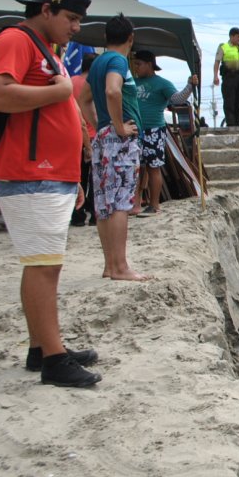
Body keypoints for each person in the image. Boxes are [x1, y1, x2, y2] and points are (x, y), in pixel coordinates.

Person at [0, 0, 101, 387]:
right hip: (31, 169)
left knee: (41, 263)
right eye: (71, 18)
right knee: (43, 266)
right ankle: (53, 360)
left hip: (47, 172)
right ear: (46, 10)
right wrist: (61, 92)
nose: (75, 27)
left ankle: (42, 347)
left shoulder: (42, 49)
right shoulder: (16, 40)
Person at [80, 14, 149, 282]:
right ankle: (120, 267)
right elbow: (113, 91)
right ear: (130, 38)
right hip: (119, 140)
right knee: (120, 202)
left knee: (104, 204)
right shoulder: (118, 60)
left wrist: (100, 126)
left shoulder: (98, 62)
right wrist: (118, 126)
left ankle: (110, 266)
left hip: (104, 138)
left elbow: (82, 99)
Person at [132, 49, 196, 214]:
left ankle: (154, 205)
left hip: (154, 130)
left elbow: (178, 99)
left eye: (139, 64)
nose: (136, 67)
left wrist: (190, 86)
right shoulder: (132, 82)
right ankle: (136, 204)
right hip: (134, 131)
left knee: (153, 167)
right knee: (136, 168)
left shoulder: (162, 83)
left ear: (149, 64)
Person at [70, 53, 97, 227]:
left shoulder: (70, 82)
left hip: (72, 137)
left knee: (76, 177)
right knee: (96, 180)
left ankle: (77, 215)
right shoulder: (96, 84)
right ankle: (95, 215)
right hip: (93, 135)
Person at [212, 27, 239, 127]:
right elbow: (217, 62)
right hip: (229, 76)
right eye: (238, 37)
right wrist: (215, 76)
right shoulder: (224, 47)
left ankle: (238, 121)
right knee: (229, 100)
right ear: (231, 36)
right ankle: (230, 122)